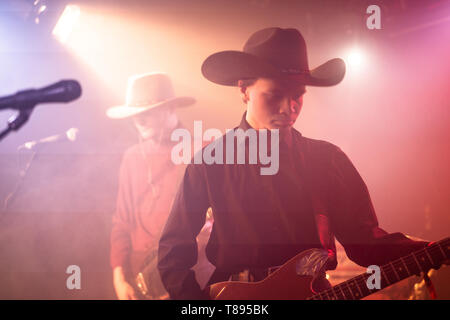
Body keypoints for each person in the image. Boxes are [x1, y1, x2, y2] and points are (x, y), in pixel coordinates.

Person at [156, 28, 438, 300]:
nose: (289, 107)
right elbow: (172, 252)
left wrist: (432, 251)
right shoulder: (210, 162)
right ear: (243, 90)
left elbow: (365, 245)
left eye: (298, 95)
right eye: (275, 94)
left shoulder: (327, 159)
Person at [107, 72, 212, 300]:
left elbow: (214, 227)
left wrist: (179, 284)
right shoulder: (132, 157)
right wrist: (119, 276)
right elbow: (122, 221)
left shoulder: (202, 150)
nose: (139, 120)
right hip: (140, 286)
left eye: (147, 113)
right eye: (135, 115)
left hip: (189, 283)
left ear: (171, 109)